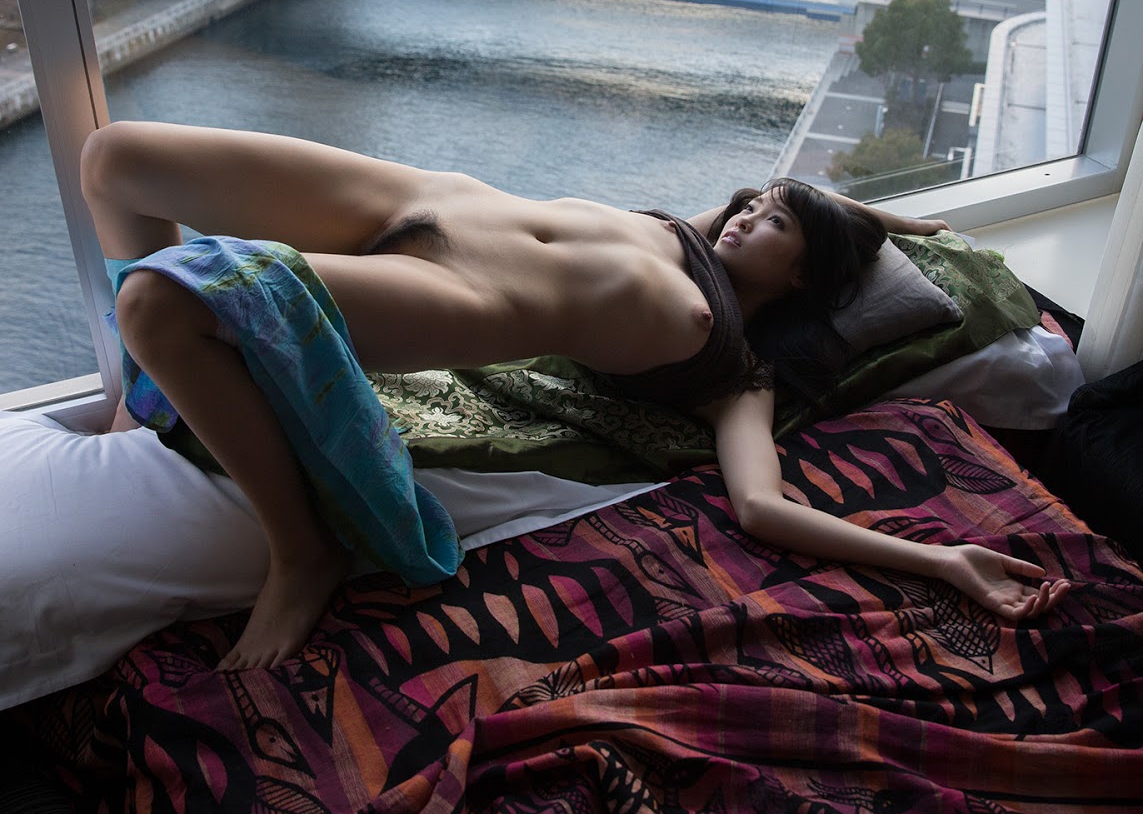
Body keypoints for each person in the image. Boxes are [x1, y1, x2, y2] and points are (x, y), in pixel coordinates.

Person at [80, 122, 1069, 671]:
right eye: (753, 202)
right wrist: (896, 217)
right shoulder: (697, 231)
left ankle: (303, 551)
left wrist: (942, 561)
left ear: (806, 276)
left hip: (453, 291)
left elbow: (763, 506)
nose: (746, 214)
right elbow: (809, 203)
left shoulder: (734, 372)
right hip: (419, 194)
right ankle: (162, 387)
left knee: (161, 306)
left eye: (774, 224)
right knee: (113, 159)